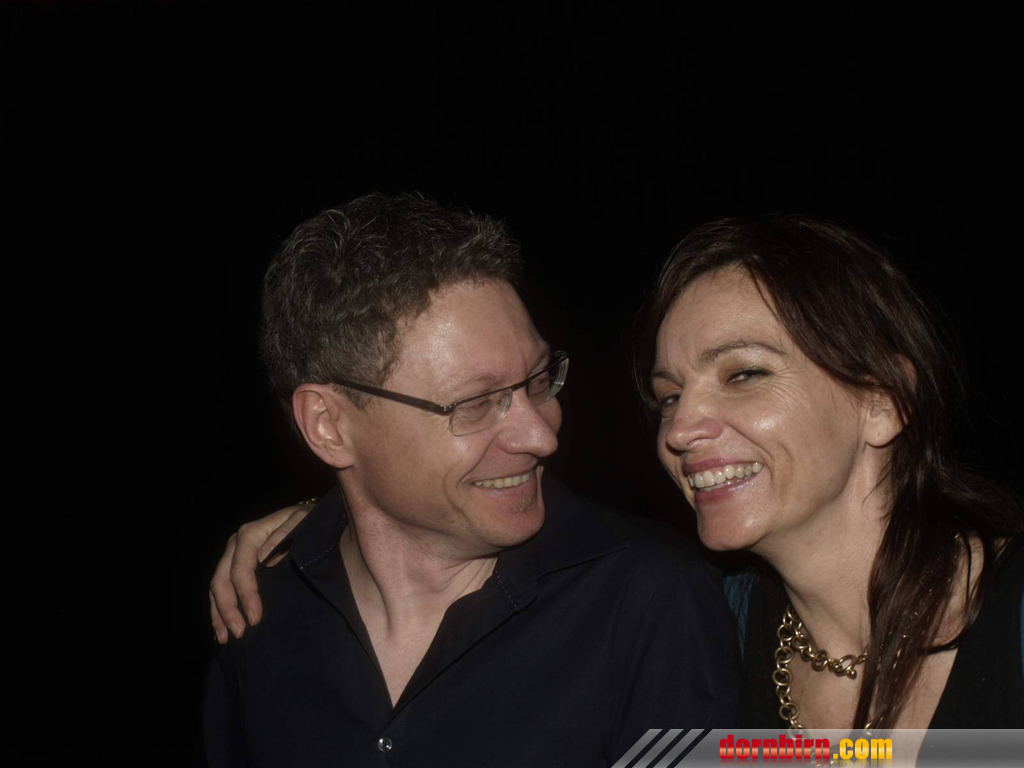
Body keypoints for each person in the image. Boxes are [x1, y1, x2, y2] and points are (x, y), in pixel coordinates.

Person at [203, 193, 738, 767]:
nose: (541, 436)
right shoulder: (257, 607)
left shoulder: (650, 600)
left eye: (538, 381)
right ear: (328, 425)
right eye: (476, 403)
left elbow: (797, 753)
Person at [635, 216, 1023, 729]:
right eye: (669, 397)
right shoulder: (703, 637)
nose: (680, 430)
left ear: (884, 400)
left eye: (743, 374)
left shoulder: (1011, 617)